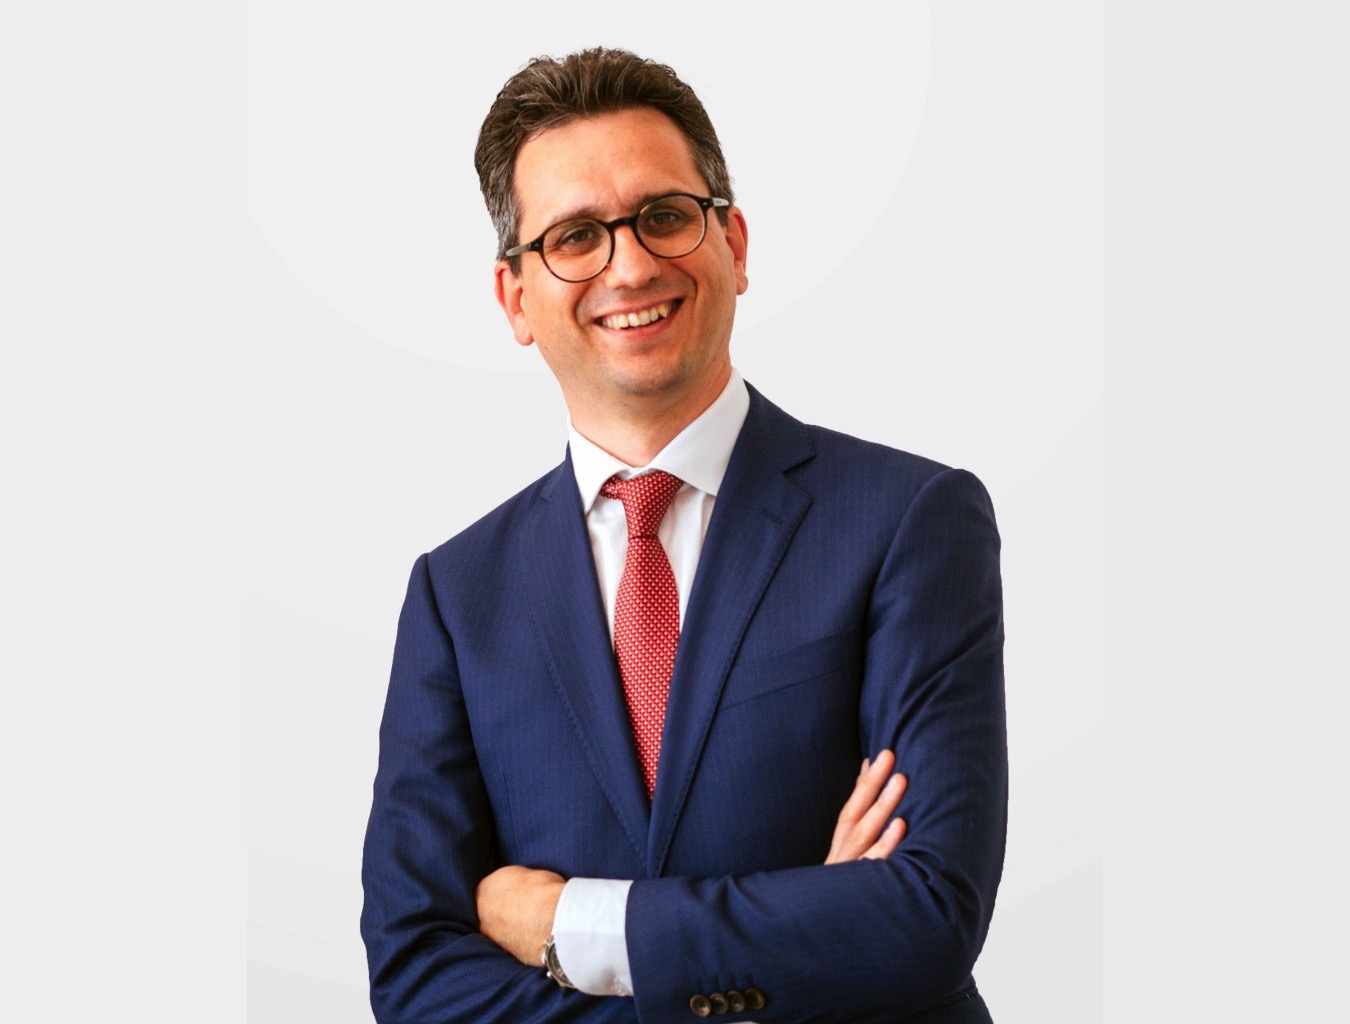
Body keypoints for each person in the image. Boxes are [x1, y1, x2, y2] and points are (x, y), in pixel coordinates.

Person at [361, 47, 1007, 1024]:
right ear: (516, 298)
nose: (630, 265)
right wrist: (809, 940)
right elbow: (416, 977)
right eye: (576, 236)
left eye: (664, 215)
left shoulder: (909, 520)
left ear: (733, 244)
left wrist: (571, 924)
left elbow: (924, 913)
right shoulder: (458, 595)